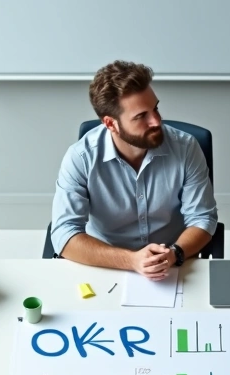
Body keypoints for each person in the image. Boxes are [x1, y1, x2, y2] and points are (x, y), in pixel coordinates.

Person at [50, 60, 218, 280]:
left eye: (155, 108)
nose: (156, 121)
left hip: (172, 264)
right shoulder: (80, 157)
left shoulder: (186, 147)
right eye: (141, 116)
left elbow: (202, 218)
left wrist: (174, 254)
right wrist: (131, 260)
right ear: (111, 124)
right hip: (104, 265)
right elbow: (64, 233)